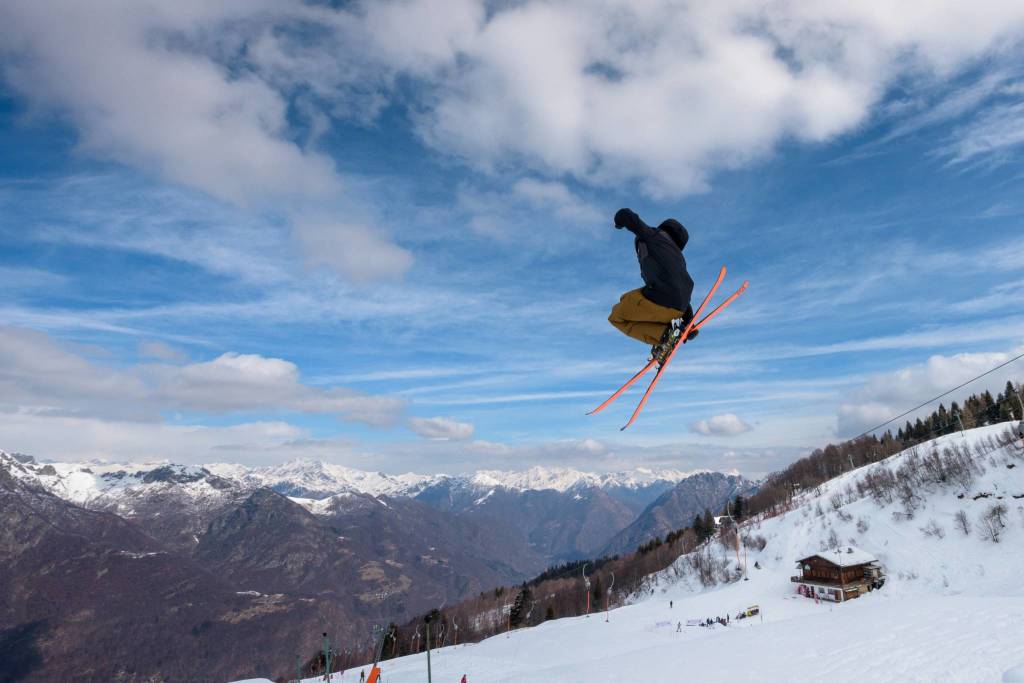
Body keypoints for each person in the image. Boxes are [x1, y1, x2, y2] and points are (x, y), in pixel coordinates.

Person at [609, 208, 697, 364]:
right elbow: (680, 292)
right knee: (640, 302)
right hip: (677, 309)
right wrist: (689, 324)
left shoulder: (654, 236)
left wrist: (618, 221)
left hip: (660, 300)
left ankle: (663, 335)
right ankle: (666, 335)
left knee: (617, 315)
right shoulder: (679, 260)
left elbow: (630, 218)